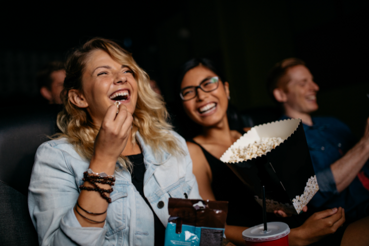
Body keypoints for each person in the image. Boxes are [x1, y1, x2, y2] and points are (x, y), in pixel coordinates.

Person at [178, 58, 369, 245]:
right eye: (188, 92)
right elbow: (211, 228)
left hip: (303, 225)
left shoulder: (253, 134)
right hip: (275, 241)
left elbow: (283, 192)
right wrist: (289, 239)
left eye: (208, 83)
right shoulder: (192, 152)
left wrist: (288, 203)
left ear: (226, 89)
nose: (201, 96)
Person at [28, 38, 200, 246]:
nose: (121, 78)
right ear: (79, 97)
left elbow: (195, 230)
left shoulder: (171, 142)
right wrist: (104, 159)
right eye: (103, 72)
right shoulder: (56, 157)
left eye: (127, 70)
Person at [267, 58, 369, 223]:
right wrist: (366, 145)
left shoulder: (334, 123)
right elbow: (308, 195)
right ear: (281, 94)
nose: (315, 87)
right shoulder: (277, 139)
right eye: (303, 83)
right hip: (349, 220)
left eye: (312, 81)